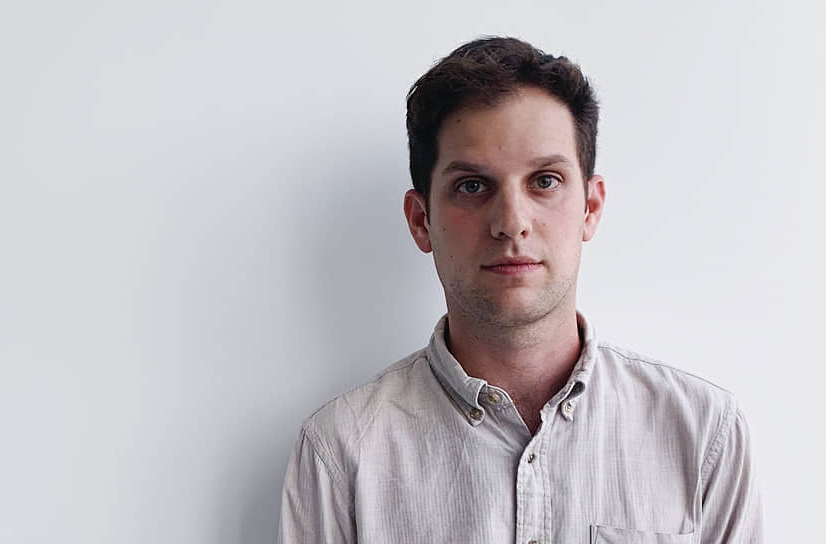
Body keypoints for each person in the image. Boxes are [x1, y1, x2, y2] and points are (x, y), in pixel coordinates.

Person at [277, 36, 762, 544]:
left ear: (591, 208)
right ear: (421, 221)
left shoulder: (703, 435)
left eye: (545, 181)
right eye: (472, 186)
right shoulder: (340, 454)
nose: (511, 222)